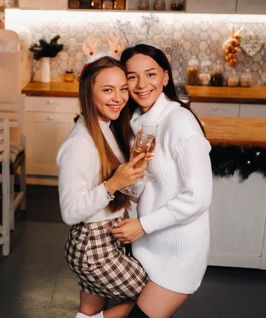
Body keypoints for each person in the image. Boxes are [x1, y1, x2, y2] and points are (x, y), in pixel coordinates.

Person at [110, 43, 213, 318]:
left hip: (179, 250)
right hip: (146, 246)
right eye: (132, 76)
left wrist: (143, 226)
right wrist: (131, 176)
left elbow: (199, 197)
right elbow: (145, 187)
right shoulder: (136, 123)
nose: (142, 84)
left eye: (151, 74)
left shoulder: (180, 122)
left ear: (165, 77)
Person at [57, 56, 148, 318]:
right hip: (93, 247)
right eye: (108, 90)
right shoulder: (79, 144)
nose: (118, 98)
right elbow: (70, 212)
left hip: (106, 238)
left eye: (122, 89)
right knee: (155, 296)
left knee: (90, 309)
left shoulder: (106, 127)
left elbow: (117, 186)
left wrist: (131, 173)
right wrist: (113, 184)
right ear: (88, 92)